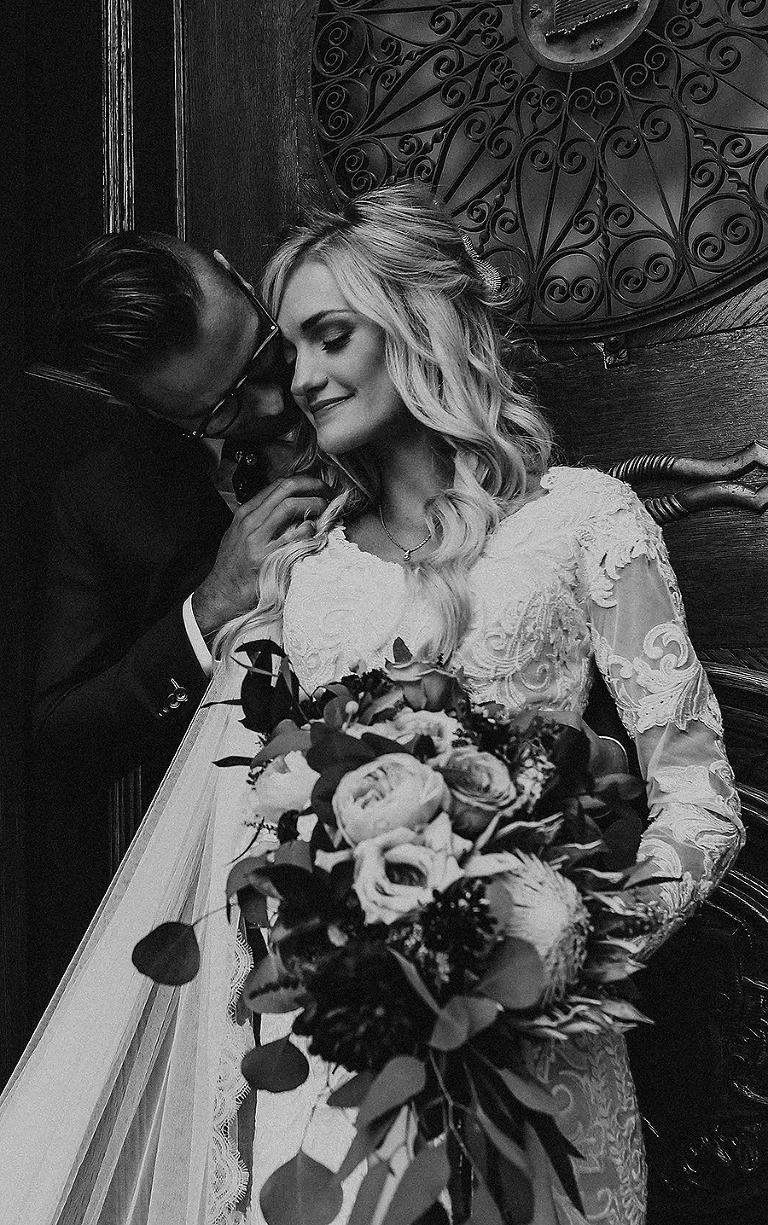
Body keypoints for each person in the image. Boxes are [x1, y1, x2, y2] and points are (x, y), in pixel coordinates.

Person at [1, 187, 744, 1225]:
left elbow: (700, 797)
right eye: (242, 392)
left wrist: (566, 944)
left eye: (318, 340)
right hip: (338, 1077)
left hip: (549, 1052)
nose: (294, 385)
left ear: (413, 320)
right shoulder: (294, 575)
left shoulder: (583, 518)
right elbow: (245, 831)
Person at [29, 231, 328, 1014]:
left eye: (264, 356)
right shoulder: (99, 498)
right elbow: (61, 737)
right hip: (246, 895)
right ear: (150, 408)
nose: (275, 402)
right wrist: (208, 607)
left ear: (233, 273)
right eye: (224, 407)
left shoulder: (350, 331)